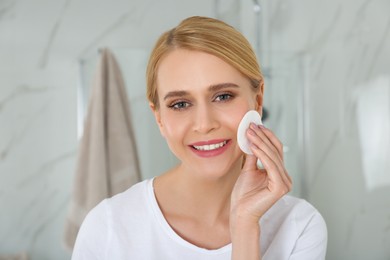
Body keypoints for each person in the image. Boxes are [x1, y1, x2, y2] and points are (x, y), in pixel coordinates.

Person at [72, 16, 327, 260]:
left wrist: (245, 226)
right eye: (180, 104)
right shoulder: (109, 227)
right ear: (159, 117)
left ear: (258, 100)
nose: (204, 125)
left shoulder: (299, 226)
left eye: (223, 96)